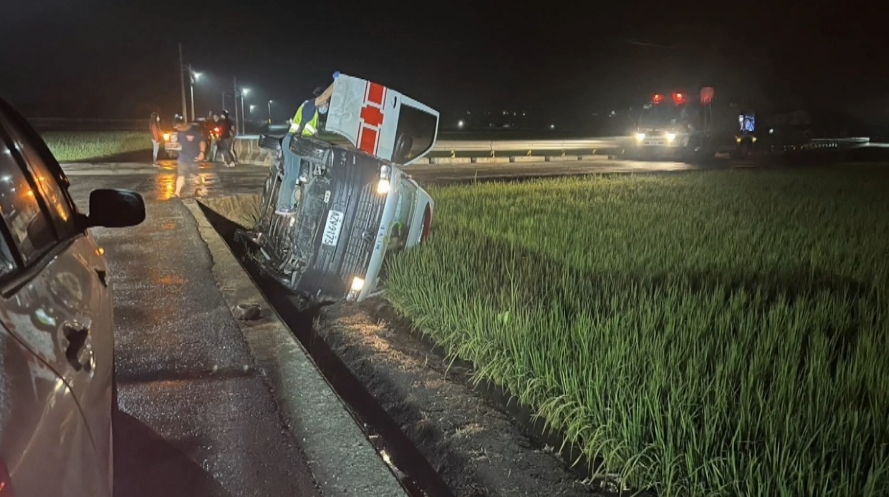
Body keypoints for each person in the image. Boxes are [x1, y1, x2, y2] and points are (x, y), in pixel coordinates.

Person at [276, 75, 337, 215]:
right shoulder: (310, 106)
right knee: (291, 175)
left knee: (295, 175)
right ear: (322, 100)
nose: (327, 106)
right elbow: (325, 95)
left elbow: (312, 136)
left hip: (297, 144)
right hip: (293, 143)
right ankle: (283, 205)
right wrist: (337, 83)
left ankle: (290, 203)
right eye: (327, 103)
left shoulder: (313, 113)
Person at [172, 115, 207, 198]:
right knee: (181, 175)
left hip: (194, 158)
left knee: (196, 175)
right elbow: (179, 144)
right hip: (183, 157)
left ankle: (203, 189)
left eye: (179, 127)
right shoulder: (179, 133)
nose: (178, 129)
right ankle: (177, 193)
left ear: (184, 124)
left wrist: (202, 153)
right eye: (176, 128)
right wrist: (174, 147)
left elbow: (202, 142)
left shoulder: (195, 131)